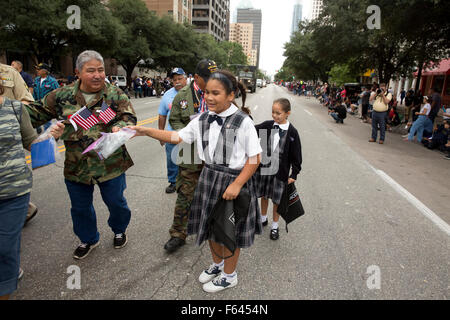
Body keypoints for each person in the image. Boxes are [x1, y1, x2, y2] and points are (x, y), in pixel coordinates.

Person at [128, 69, 262, 293]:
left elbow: (255, 158)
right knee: (210, 227)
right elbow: (176, 136)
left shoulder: (243, 121)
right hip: (208, 177)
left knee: (230, 231)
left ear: (230, 95)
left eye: (216, 93)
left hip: (233, 182)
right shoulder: (202, 118)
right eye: (207, 92)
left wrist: (237, 184)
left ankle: (230, 275)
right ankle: (217, 265)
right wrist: (145, 131)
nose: (209, 97)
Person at [25, 50, 137, 260]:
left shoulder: (114, 94)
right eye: (91, 71)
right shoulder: (61, 95)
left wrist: (120, 127)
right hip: (77, 166)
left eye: (101, 70)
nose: (97, 75)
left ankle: (119, 229)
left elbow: (130, 117)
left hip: (110, 163)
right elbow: (35, 114)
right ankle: (88, 239)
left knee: (116, 202)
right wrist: (11, 110)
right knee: (80, 208)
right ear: (77, 72)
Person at [0, 83, 63, 300]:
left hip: (12, 191)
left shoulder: (15, 109)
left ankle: (6, 280)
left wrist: (51, 135)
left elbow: (32, 144)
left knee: (5, 248)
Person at [159, 59, 217, 253]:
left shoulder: (219, 92)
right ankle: (178, 234)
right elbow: (173, 119)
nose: (212, 81)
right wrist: (187, 134)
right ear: (197, 77)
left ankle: (211, 228)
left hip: (213, 154)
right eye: (208, 78)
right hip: (190, 152)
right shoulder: (182, 95)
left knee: (213, 193)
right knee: (185, 193)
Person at [254, 98, 302, 240]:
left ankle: (275, 226)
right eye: (273, 112)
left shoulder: (292, 133)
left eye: (278, 113)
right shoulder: (268, 126)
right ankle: (263, 218)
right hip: (265, 169)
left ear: (288, 113)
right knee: (263, 195)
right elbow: (251, 130)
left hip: (280, 173)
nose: (274, 116)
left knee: (276, 200)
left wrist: (294, 173)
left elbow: (296, 155)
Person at [0, 63, 39, 225]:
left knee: (7, 247)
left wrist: (13, 113)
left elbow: (26, 100)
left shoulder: (9, 72)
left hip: (10, 178)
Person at [158, 68, 187, 194]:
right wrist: (160, 134)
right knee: (172, 159)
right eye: (174, 79)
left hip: (188, 135)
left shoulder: (193, 93)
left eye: (180, 78)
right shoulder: (167, 95)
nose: (177, 82)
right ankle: (173, 182)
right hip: (172, 134)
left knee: (188, 160)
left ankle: (187, 182)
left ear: (185, 78)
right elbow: (162, 115)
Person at [33, 63, 59, 132]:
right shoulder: (36, 80)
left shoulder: (52, 81)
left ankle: (48, 137)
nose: (37, 71)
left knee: (47, 123)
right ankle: (39, 128)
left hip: (47, 106)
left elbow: (58, 93)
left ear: (45, 71)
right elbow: (34, 92)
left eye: (39, 69)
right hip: (38, 104)